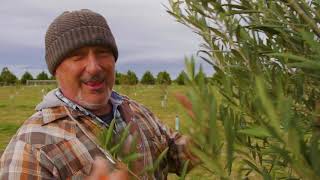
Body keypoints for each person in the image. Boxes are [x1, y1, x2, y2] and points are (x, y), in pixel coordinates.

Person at [0, 9, 199, 179]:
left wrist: (206, 137)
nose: (94, 67)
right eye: (77, 57)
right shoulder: (32, 147)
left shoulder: (136, 111)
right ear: (56, 70)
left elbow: (175, 155)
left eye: (103, 52)